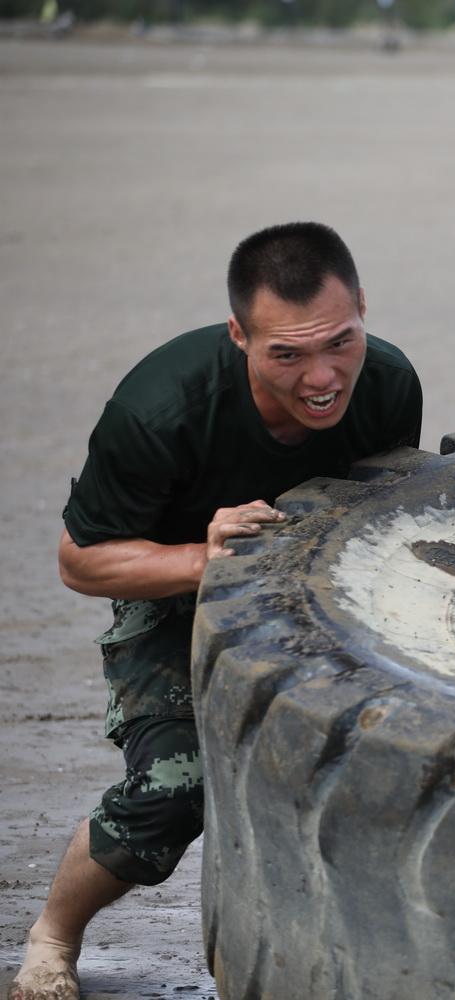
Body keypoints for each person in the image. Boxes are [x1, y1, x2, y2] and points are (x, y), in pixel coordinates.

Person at [7, 222, 423, 1000]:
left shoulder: (390, 381)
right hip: (171, 590)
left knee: (389, 759)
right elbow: (79, 561)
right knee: (176, 789)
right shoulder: (161, 408)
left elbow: (378, 511)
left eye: (340, 341)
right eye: (286, 355)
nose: (323, 377)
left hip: (321, 586)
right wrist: (206, 560)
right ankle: (53, 937)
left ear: (363, 307)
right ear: (240, 334)